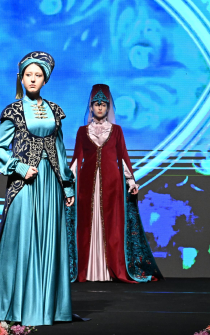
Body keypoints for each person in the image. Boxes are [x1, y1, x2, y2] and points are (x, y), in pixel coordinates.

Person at [0, 51, 75, 326]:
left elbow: (60, 150)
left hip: (50, 183)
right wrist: (19, 167)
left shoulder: (55, 110)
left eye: (38, 75)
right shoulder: (14, 110)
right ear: (21, 78)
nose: (32, 79)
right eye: (28, 74)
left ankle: (47, 307)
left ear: (45, 79)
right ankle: (19, 307)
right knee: (24, 240)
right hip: (25, 184)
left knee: (48, 242)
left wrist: (67, 185)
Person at [70, 84, 163, 283]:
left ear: (108, 107)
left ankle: (111, 268)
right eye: (96, 104)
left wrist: (131, 181)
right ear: (91, 107)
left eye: (104, 104)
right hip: (87, 184)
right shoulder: (82, 131)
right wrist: (69, 185)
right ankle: (89, 270)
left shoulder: (117, 131)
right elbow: (77, 160)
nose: (100, 107)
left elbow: (123, 158)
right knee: (88, 224)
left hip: (112, 185)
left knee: (112, 226)